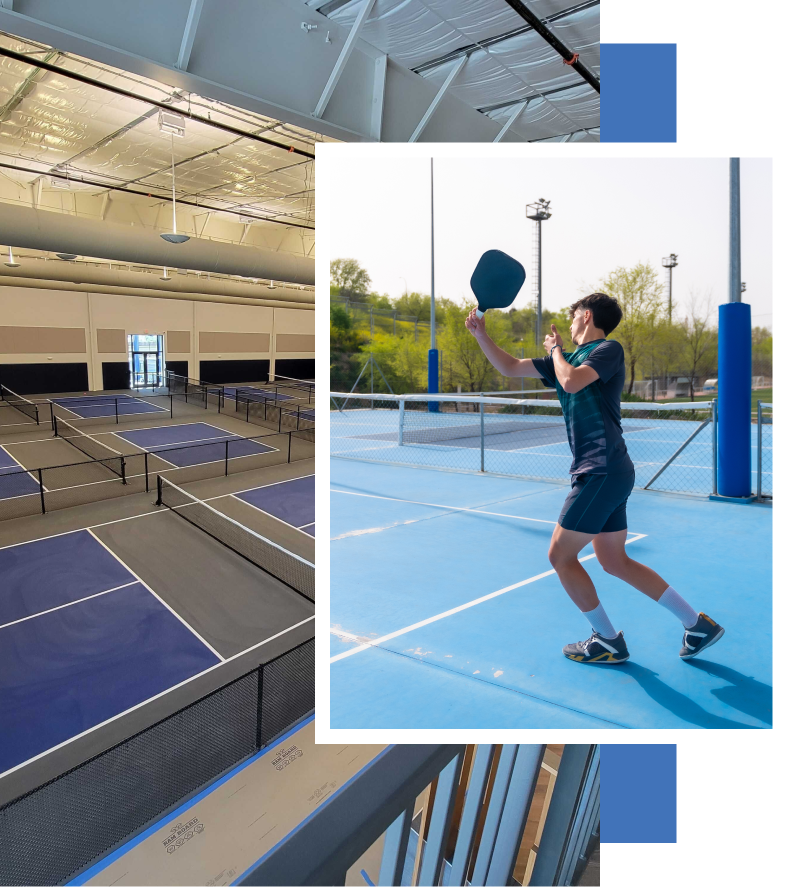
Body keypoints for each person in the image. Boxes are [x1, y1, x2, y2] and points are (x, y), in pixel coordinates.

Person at [464, 293, 724, 663]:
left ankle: (606, 640)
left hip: (600, 471)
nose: (568, 327)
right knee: (614, 561)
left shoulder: (606, 350)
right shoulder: (564, 360)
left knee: (559, 555)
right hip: (608, 471)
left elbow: (571, 382)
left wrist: (555, 350)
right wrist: (480, 335)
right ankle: (697, 625)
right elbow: (509, 367)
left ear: (586, 317)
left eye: (572, 320)